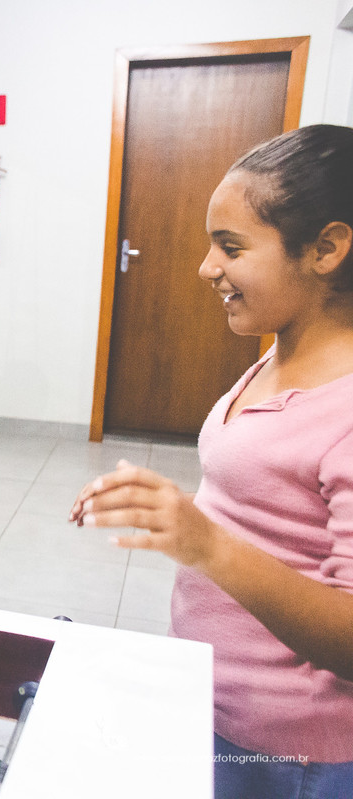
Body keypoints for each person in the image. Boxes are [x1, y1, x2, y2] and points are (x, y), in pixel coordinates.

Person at [68, 125, 353, 798]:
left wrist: (207, 544)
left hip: (293, 755)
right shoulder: (276, 352)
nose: (206, 267)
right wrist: (169, 510)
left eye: (231, 246)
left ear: (327, 248)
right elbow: (267, 511)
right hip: (219, 706)